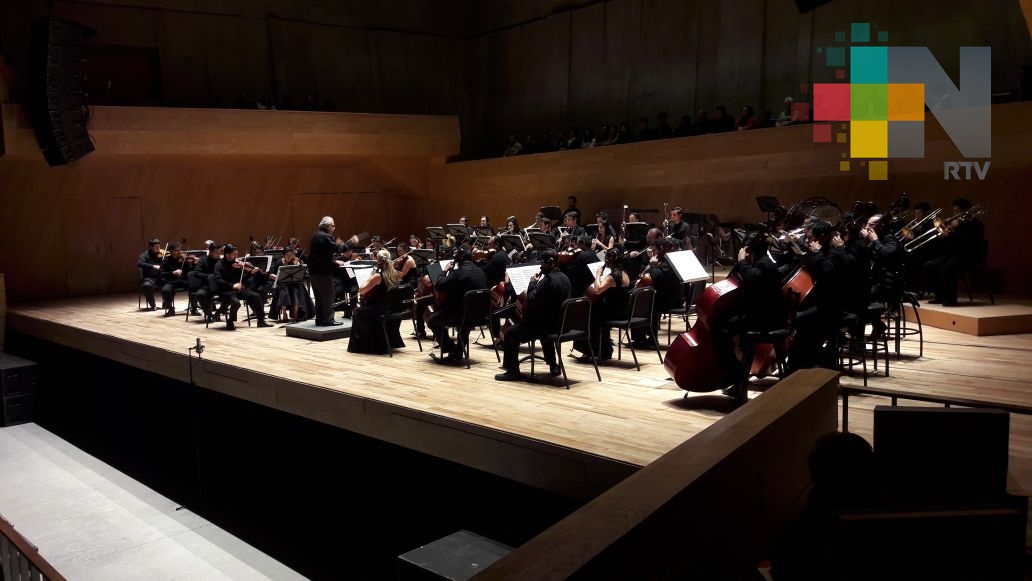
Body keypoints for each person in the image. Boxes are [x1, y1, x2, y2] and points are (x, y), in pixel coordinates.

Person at [496, 249, 572, 381]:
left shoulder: (547, 281)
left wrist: (532, 283)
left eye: (542, 263)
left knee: (510, 333)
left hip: (546, 326)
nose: (541, 266)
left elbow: (531, 300)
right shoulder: (565, 278)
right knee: (543, 322)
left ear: (551, 262)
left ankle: (512, 371)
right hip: (560, 324)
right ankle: (553, 365)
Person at [427, 245, 489, 364]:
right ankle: (459, 350)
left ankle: (451, 349)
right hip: (480, 316)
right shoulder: (480, 271)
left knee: (432, 321)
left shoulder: (457, 273)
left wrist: (444, 270)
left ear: (459, 259)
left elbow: (439, 285)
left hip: (463, 317)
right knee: (466, 311)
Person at [924, 198, 986, 307]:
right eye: (954, 211)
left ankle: (951, 298)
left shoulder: (975, 224)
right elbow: (950, 246)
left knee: (946, 268)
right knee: (931, 265)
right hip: (955, 255)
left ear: (966, 211)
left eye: (957, 211)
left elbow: (967, 244)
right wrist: (944, 236)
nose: (954, 214)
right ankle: (940, 296)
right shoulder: (957, 225)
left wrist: (952, 233)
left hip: (969, 257)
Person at [576, 248, 630, 362]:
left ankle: (590, 351)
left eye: (606, 260)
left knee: (588, 316)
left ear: (610, 260)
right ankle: (605, 350)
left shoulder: (613, 276)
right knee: (595, 312)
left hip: (615, 313)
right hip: (623, 310)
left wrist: (598, 274)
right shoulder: (624, 272)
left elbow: (597, 290)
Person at [347, 250, 406, 354]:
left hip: (380, 309)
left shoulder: (377, 276)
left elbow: (361, 290)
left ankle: (363, 346)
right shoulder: (396, 274)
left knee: (357, 312)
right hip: (393, 308)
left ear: (378, 261)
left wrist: (370, 276)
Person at [308, 216, 355, 327]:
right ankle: (328, 320)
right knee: (329, 295)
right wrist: (351, 243)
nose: (334, 227)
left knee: (319, 297)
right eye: (332, 225)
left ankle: (320, 319)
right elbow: (338, 249)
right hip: (322, 272)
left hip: (314, 271)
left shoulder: (316, 235)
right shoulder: (325, 236)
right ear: (326, 226)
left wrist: (334, 262)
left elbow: (321, 255)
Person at [213, 244, 272, 330]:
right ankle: (230, 322)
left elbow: (241, 279)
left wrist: (250, 273)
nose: (237, 257)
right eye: (234, 254)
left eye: (237, 254)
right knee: (236, 303)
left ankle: (261, 321)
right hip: (225, 291)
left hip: (237, 290)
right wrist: (232, 285)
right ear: (227, 255)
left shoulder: (236, 264)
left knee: (256, 296)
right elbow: (218, 279)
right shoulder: (219, 265)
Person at [158, 242, 193, 317]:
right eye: (177, 250)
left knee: (195, 287)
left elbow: (190, 271)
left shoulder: (183, 260)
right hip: (171, 282)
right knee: (165, 290)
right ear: (171, 251)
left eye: (180, 250)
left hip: (183, 281)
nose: (179, 252)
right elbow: (161, 273)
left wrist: (187, 263)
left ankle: (194, 308)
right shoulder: (166, 260)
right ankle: (170, 309)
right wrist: (172, 272)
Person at [138, 238, 164, 311]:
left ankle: (166, 303)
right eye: (156, 247)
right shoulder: (144, 255)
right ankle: (153, 305)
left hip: (161, 277)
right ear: (150, 247)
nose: (159, 248)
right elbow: (140, 263)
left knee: (171, 283)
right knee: (147, 286)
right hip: (150, 278)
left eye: (159, 246)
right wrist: (152, 266)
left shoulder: (162, 254)